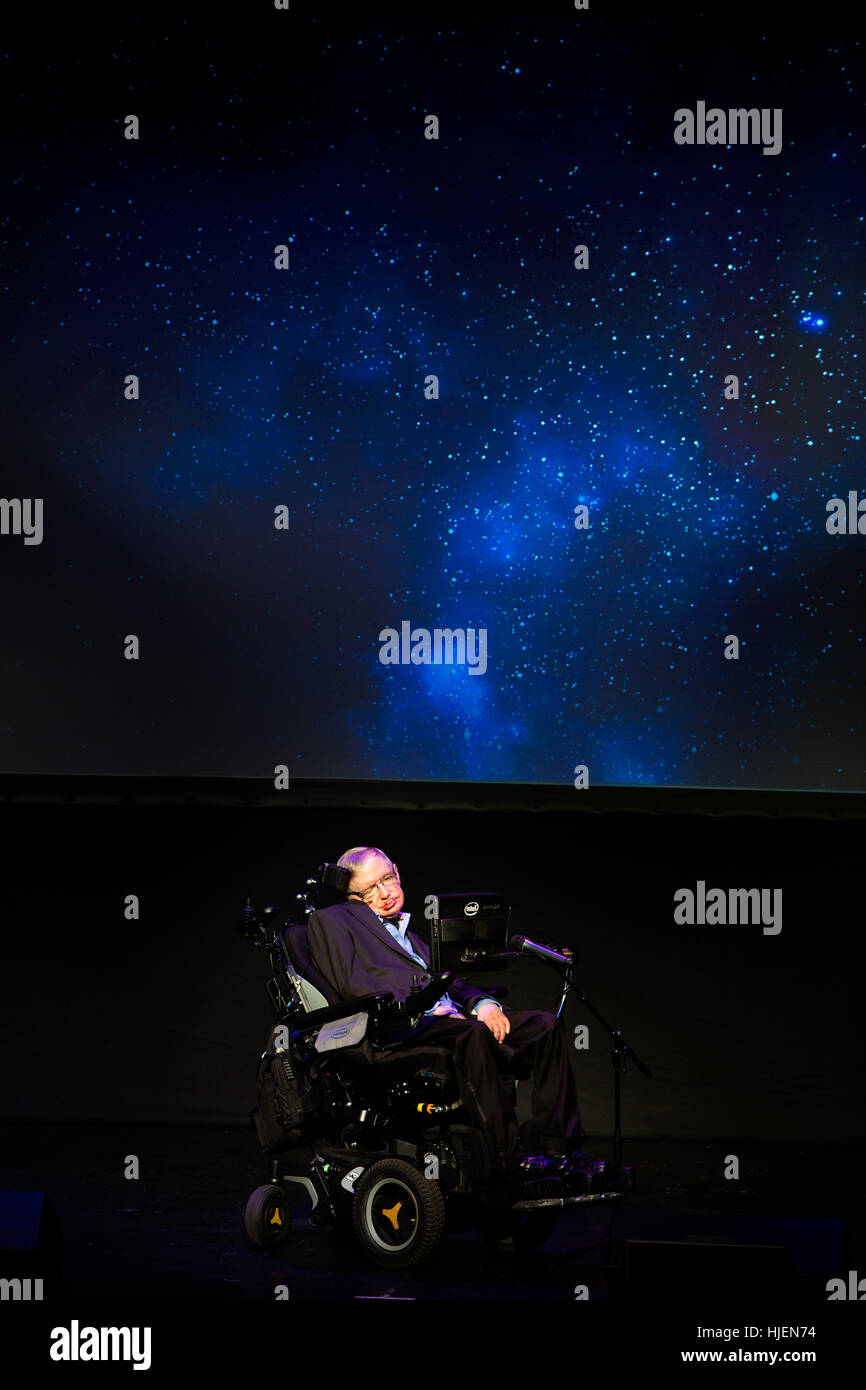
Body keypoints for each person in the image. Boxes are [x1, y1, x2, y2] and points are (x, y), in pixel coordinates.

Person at [304, 845, 606, 1190]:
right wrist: (430, 1003)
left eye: (387, 879)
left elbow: (451, 981)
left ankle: (558, 1146)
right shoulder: (331, 920)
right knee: (471, 1035)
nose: (385, 893)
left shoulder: (407, 934)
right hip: (400, 1028)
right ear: (352, 897)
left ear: (397, 872)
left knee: (544, 1027)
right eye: (369, 889)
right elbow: (352, 986)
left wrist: (483, 1004)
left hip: (450, 1020)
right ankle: (506, 1155)